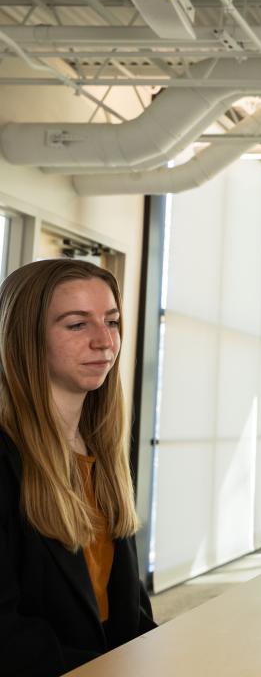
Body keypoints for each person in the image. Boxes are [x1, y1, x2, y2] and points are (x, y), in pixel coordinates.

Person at [0, 259, 155, 676]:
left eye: (112, 321)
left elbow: (127, 607)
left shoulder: (100, 450)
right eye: (76, 324)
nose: (105, 342)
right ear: (25, 337)